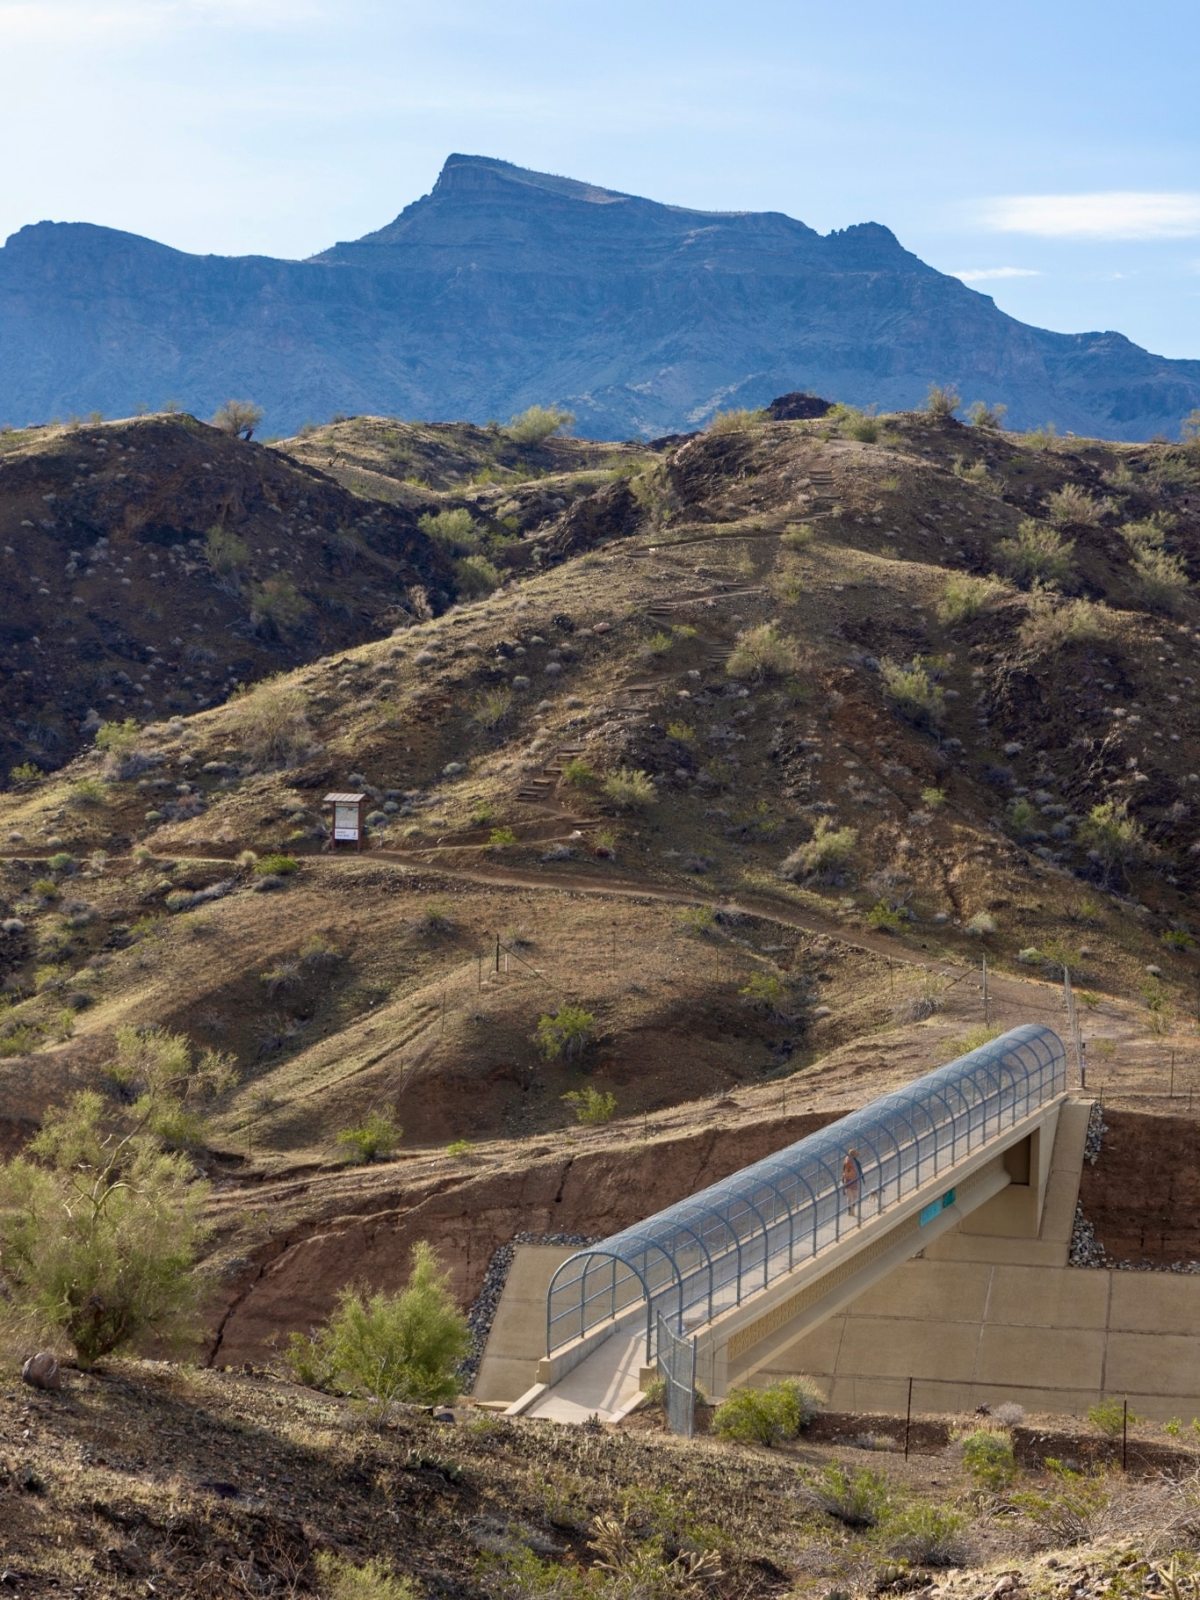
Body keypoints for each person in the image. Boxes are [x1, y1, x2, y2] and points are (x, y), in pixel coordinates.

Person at [842, 1148, 864, 1218]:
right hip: (854, 1181)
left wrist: (843, 1180)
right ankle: (852, 1210)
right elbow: (860, 1172)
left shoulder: (846, 1161)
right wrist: (862, 1179)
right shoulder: (855, 1162)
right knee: (854, 1196)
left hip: (847, 1181)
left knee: (849, 1197)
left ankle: (850, 1210)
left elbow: (843, 1172)